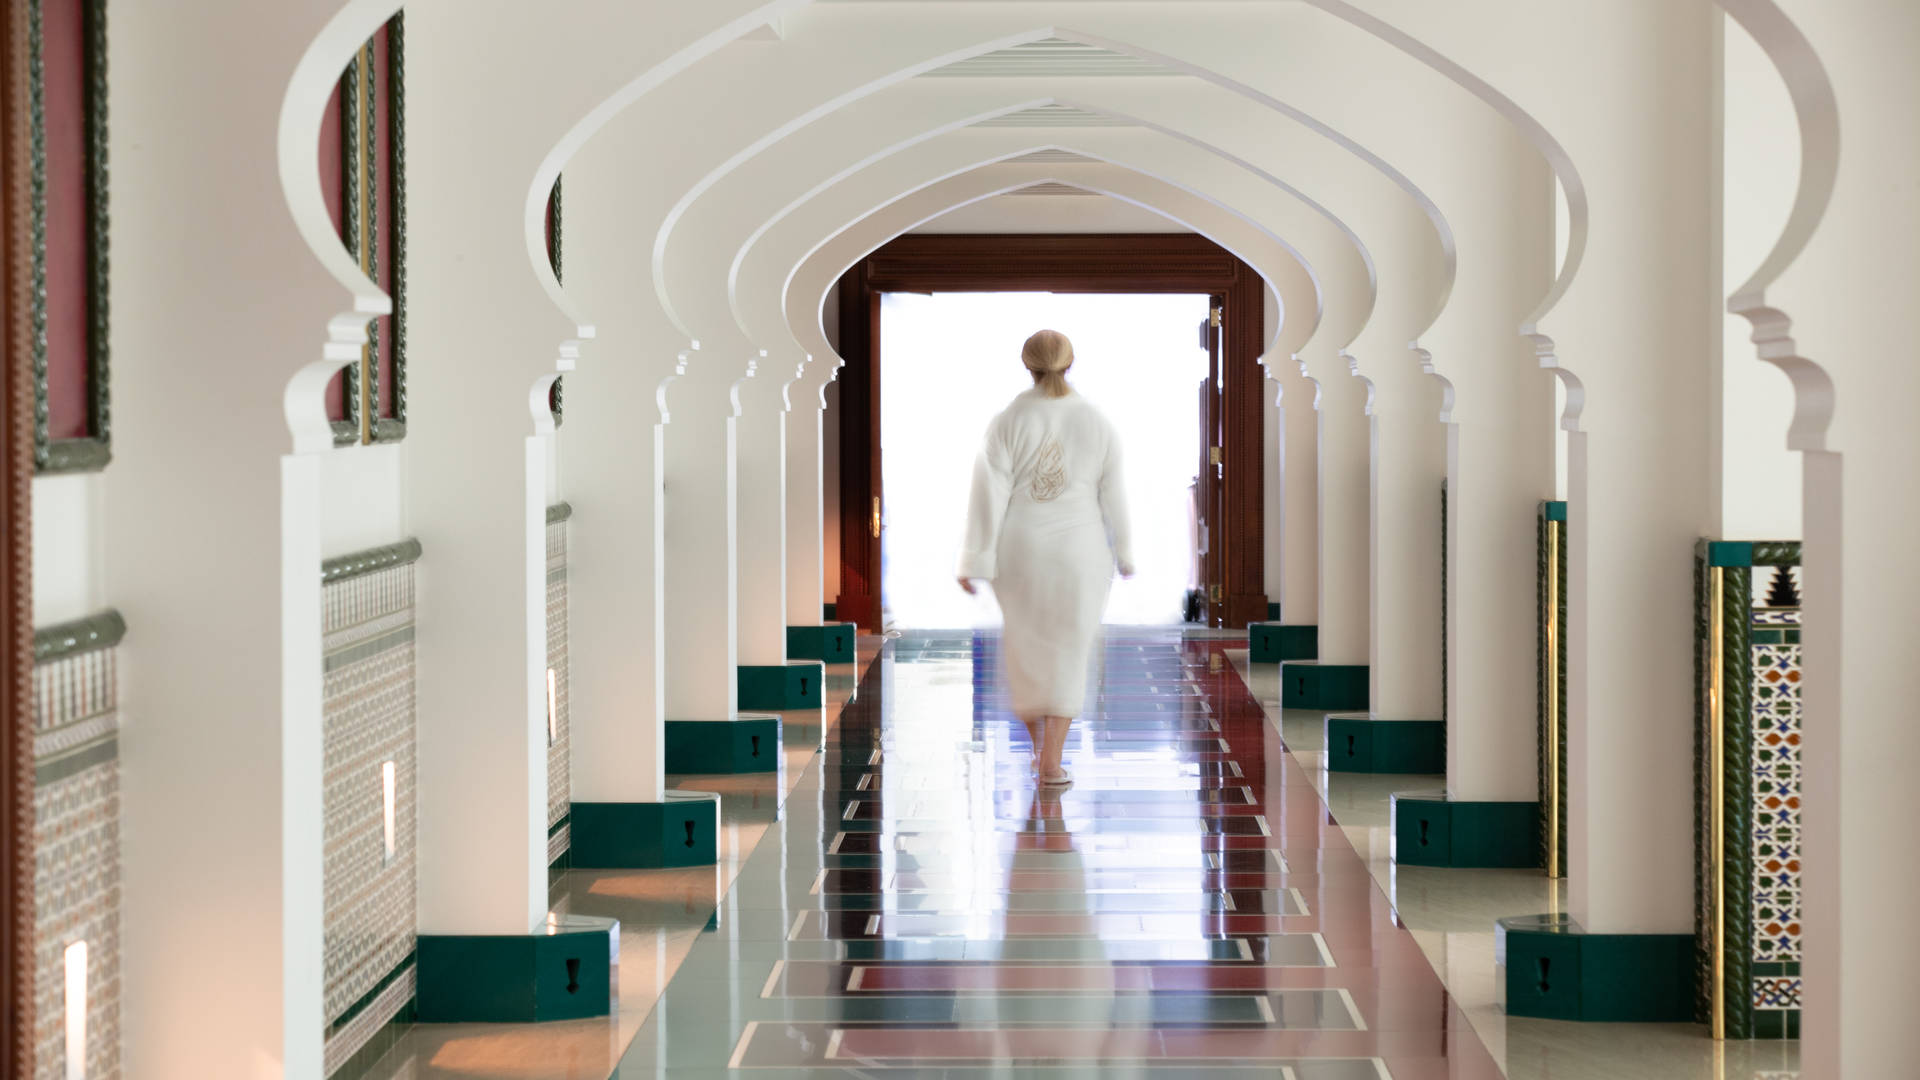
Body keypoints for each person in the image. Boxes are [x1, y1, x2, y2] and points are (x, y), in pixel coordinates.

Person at [956, 329, 1134, 786]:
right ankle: (1051, 760)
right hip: (1081, 553)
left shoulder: (1007, 420)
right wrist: (1127, 553)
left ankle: (1040, 752)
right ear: (1070, 364)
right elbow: (1114, 492)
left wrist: (975, 560)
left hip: (1021, 551)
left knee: (1027, 650)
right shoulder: (1096, 421)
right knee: (1071, 652)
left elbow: (987, 493)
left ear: (1027, 364)